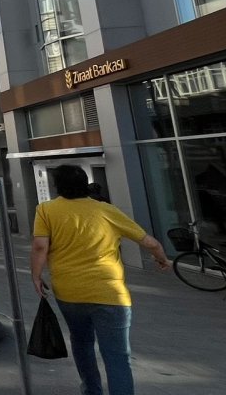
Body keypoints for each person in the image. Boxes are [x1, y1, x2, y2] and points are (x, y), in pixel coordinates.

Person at [31, 165, 170, 395]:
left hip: (69, 292)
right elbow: (150, 243)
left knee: (82, 343)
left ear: (57, 187)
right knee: (117, 356)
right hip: (110, 293)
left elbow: (39, 246)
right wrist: (162, 259)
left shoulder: (46, 210)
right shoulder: (107, 211)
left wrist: (36, 276)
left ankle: (92, 390)